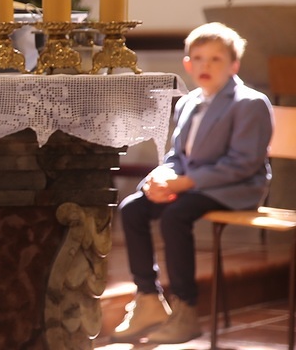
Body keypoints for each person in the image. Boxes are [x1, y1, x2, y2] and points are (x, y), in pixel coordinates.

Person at [112, 22, 273, 344]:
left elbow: (242, 164)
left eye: (215, 59)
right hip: (191, 185)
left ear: (234, 65)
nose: (205, 66)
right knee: (132, 209)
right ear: (187, 64)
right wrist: (160, 178)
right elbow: (177, 155)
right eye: (198, 58)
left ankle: (186, 309)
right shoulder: (189, 102)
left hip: (234, 188)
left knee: (175, 216)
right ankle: (148, 299)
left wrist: (184, 183)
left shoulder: (249, 103)